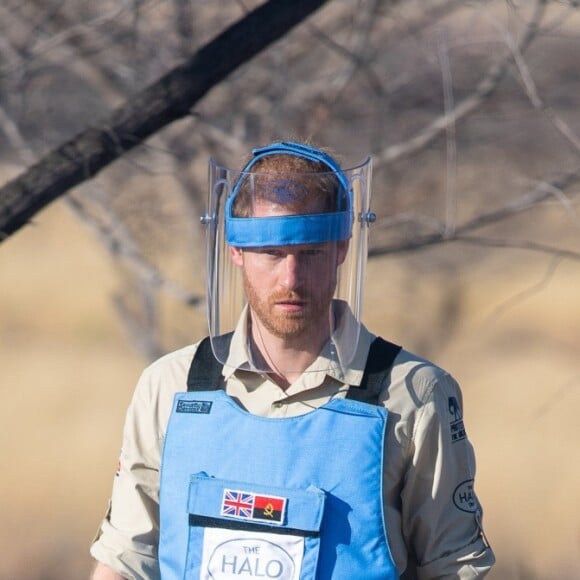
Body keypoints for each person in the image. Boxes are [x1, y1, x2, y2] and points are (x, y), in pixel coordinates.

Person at [90, 141, 495, 579]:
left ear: (342, 249)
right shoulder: (171, 385)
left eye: (311, 253)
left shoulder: (413, 392)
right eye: (272, 254)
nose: (291, 278)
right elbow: (125, 559)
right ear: (236, 252)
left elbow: (454, 566)